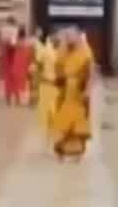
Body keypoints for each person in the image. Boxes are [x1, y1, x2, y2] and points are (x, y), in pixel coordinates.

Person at [49, 26, 95, 161]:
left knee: (78, 121)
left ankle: (78, 152)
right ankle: (61, 150)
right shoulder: (62, 50)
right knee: (62, 120)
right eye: (67, 36)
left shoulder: (86, 51)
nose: (69, 39)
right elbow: (57, 68)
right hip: (64, 91)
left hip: (79, 93)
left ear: (78, 36)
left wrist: (87, 90)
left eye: (71, 36)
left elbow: (91, 73)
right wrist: (58, 80)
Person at [33, 26, 61, 132]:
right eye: (57, 38)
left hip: (51, 79)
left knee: (50, 103)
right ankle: (50, 125)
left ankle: (50, 124)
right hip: (50, 79)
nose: (58, 40)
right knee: (50, 103)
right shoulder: (50, 50)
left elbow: (39, 62)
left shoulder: (49, 50)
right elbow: (39, 62)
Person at [1, 22, 34, 106]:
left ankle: (10, 100)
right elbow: (30, 55)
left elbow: (7, 49)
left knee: (10, 83)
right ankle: (17, 100)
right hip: (20, 66)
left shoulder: (14, 41)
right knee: (17, 83)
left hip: (12, 64)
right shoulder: (27, 43)